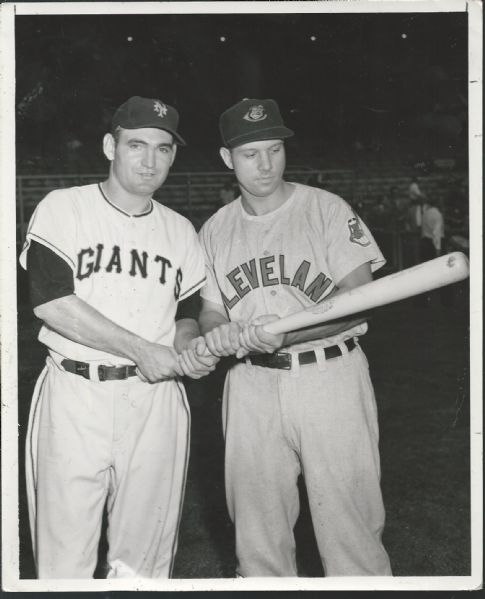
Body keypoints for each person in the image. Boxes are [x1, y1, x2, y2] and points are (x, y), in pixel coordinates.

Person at [19, 95, 218, 579]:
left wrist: (189, 347)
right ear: (111, 146)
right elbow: (51, 301)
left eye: (163, 148)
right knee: (63, 561)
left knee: (143, 564)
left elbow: (186, 313)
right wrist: (140, 349)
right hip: (74, 393)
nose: (150, 160)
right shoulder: (64, 207)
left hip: (154, 402)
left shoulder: (180, 231)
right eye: (137, 145)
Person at [191, 98, 392, 577]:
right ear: (227, 159)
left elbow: (359, 296)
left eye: (275, 150)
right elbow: (211, 310)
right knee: (257, 537)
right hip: (249, 386)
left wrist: (284, 337)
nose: (265, 165)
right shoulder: (215, 229)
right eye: (250, 154)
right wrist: (219, 335)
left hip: (330, 374)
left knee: (351, 530)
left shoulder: (324, 208)